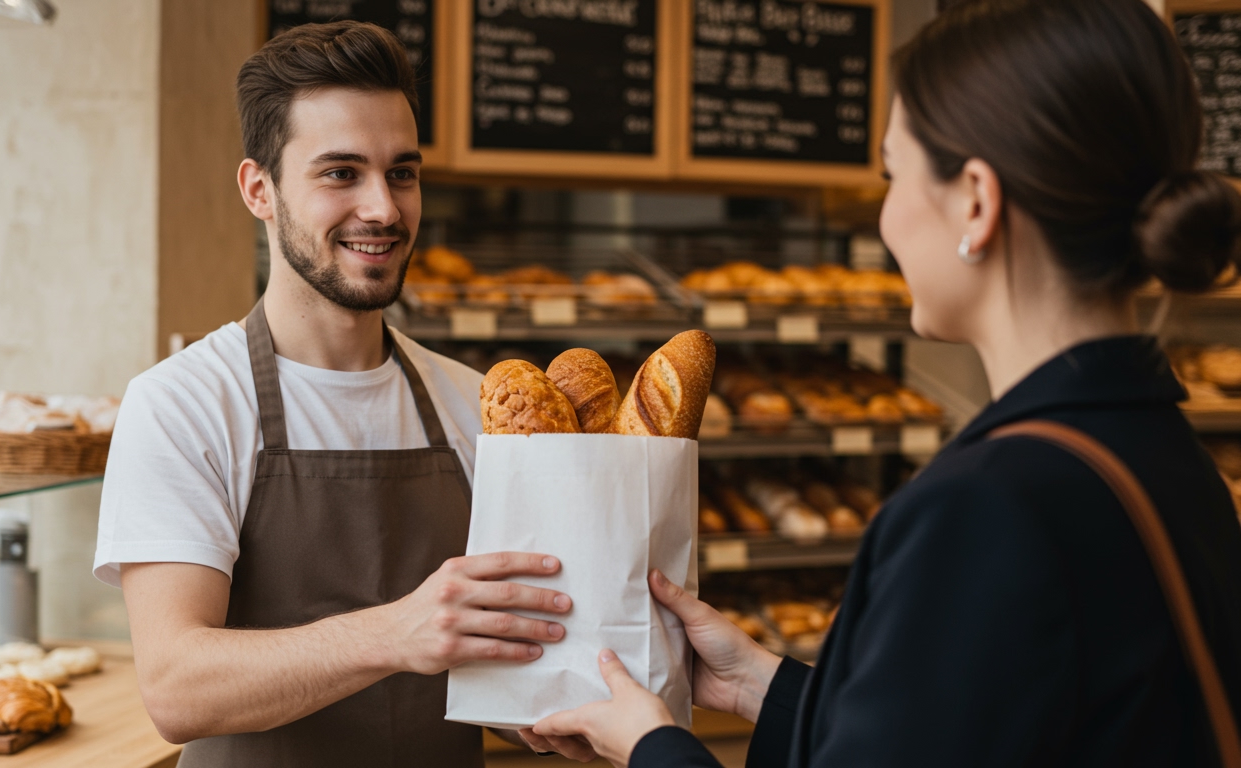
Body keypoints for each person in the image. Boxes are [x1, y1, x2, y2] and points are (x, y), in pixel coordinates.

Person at [532, 0, 1241, 765]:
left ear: (975, 199)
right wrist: (760, 688)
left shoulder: (985, 508)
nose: (885, 220)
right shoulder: (1171, 458)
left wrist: (652, 746)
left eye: (892, 175)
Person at [91, 22, 573, 766]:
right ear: (260, 190)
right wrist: (395, 633)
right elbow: (177, 688)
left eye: (402, 173)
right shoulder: (184, 404)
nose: (382, 208)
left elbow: (493, 657)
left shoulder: (470, 401)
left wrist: (543, 705)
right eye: (341, 173)